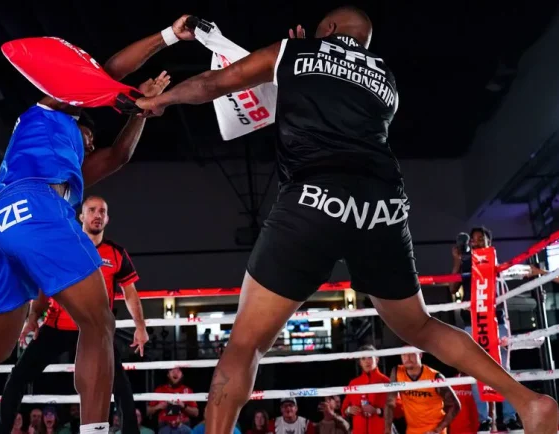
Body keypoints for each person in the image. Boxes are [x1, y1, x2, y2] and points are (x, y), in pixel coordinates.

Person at [136, 7, 558, 434]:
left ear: (331, 28)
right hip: (383, 207)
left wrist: (159, 101)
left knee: (245, 344)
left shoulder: (293, 52)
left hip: (313, 198)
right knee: (422, 327)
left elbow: (214, 84)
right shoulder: (386, 79)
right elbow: (334, 96)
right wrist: (297, 61)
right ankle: (529, 401)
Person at [0, 15, 197, 434]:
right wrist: (168, 36)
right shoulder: (52, 110)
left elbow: (118, 156)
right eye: (89, 138)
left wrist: (141, 112)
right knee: (99, 322)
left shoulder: (67, 169)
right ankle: (95, 430)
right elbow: (104, 74)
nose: (91, 144)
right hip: (34, 209)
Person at [0, 196, 147, 434]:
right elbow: (43, 287)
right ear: (82, 216)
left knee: (121, 387)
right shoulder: (62, 249)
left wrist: (140, 326)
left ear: (107, 218)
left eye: (102, 211)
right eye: (92, 210)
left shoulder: (116, 253)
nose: (97, 215)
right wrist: (33, 317)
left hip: (95, 331)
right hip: (57, 327)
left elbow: (130, 292)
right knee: (17, 378)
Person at [450, 226, 520, 431]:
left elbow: (516, 274)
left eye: (481, 239)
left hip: (495, 321)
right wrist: (457, 260)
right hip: (472, 323)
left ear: (490, 242)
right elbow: (453, 288)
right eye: (473, 240)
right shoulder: (466, 263)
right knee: (476, 371)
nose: (477, 242)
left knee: (503, 370)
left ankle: (509, 417)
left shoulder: (495, 262)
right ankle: (484, 419)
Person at [384, 352, 460, 434]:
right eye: (404, 354)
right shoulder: (397, 372)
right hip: (412, 430)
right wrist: (388, 430)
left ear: (420, 355)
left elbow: (455, 405)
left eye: (411, 353)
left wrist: (437, 430)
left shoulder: (434, 376)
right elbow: (390, 403)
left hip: (433, 429)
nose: (408, 357)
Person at [341, 345, 398, 434]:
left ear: (377, 359)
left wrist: (377, 411)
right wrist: (349, 410)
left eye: (370, 357)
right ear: (360, 362)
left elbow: (399, 409)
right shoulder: (353, 383)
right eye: (363, 358)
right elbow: (343, 409)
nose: (367, 361)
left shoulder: (387, 382)